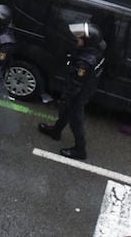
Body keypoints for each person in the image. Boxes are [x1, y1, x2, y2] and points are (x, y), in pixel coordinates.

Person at [38, 22, 106, 160]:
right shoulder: (98, 49)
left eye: (80, 38)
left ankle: (80, 150)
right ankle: (56, 131)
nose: (77, 39)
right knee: (65, 113)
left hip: (78, 94)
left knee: (76, 121)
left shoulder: (84, 63)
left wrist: (66, 98)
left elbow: (76, 84)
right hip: (87, 88)